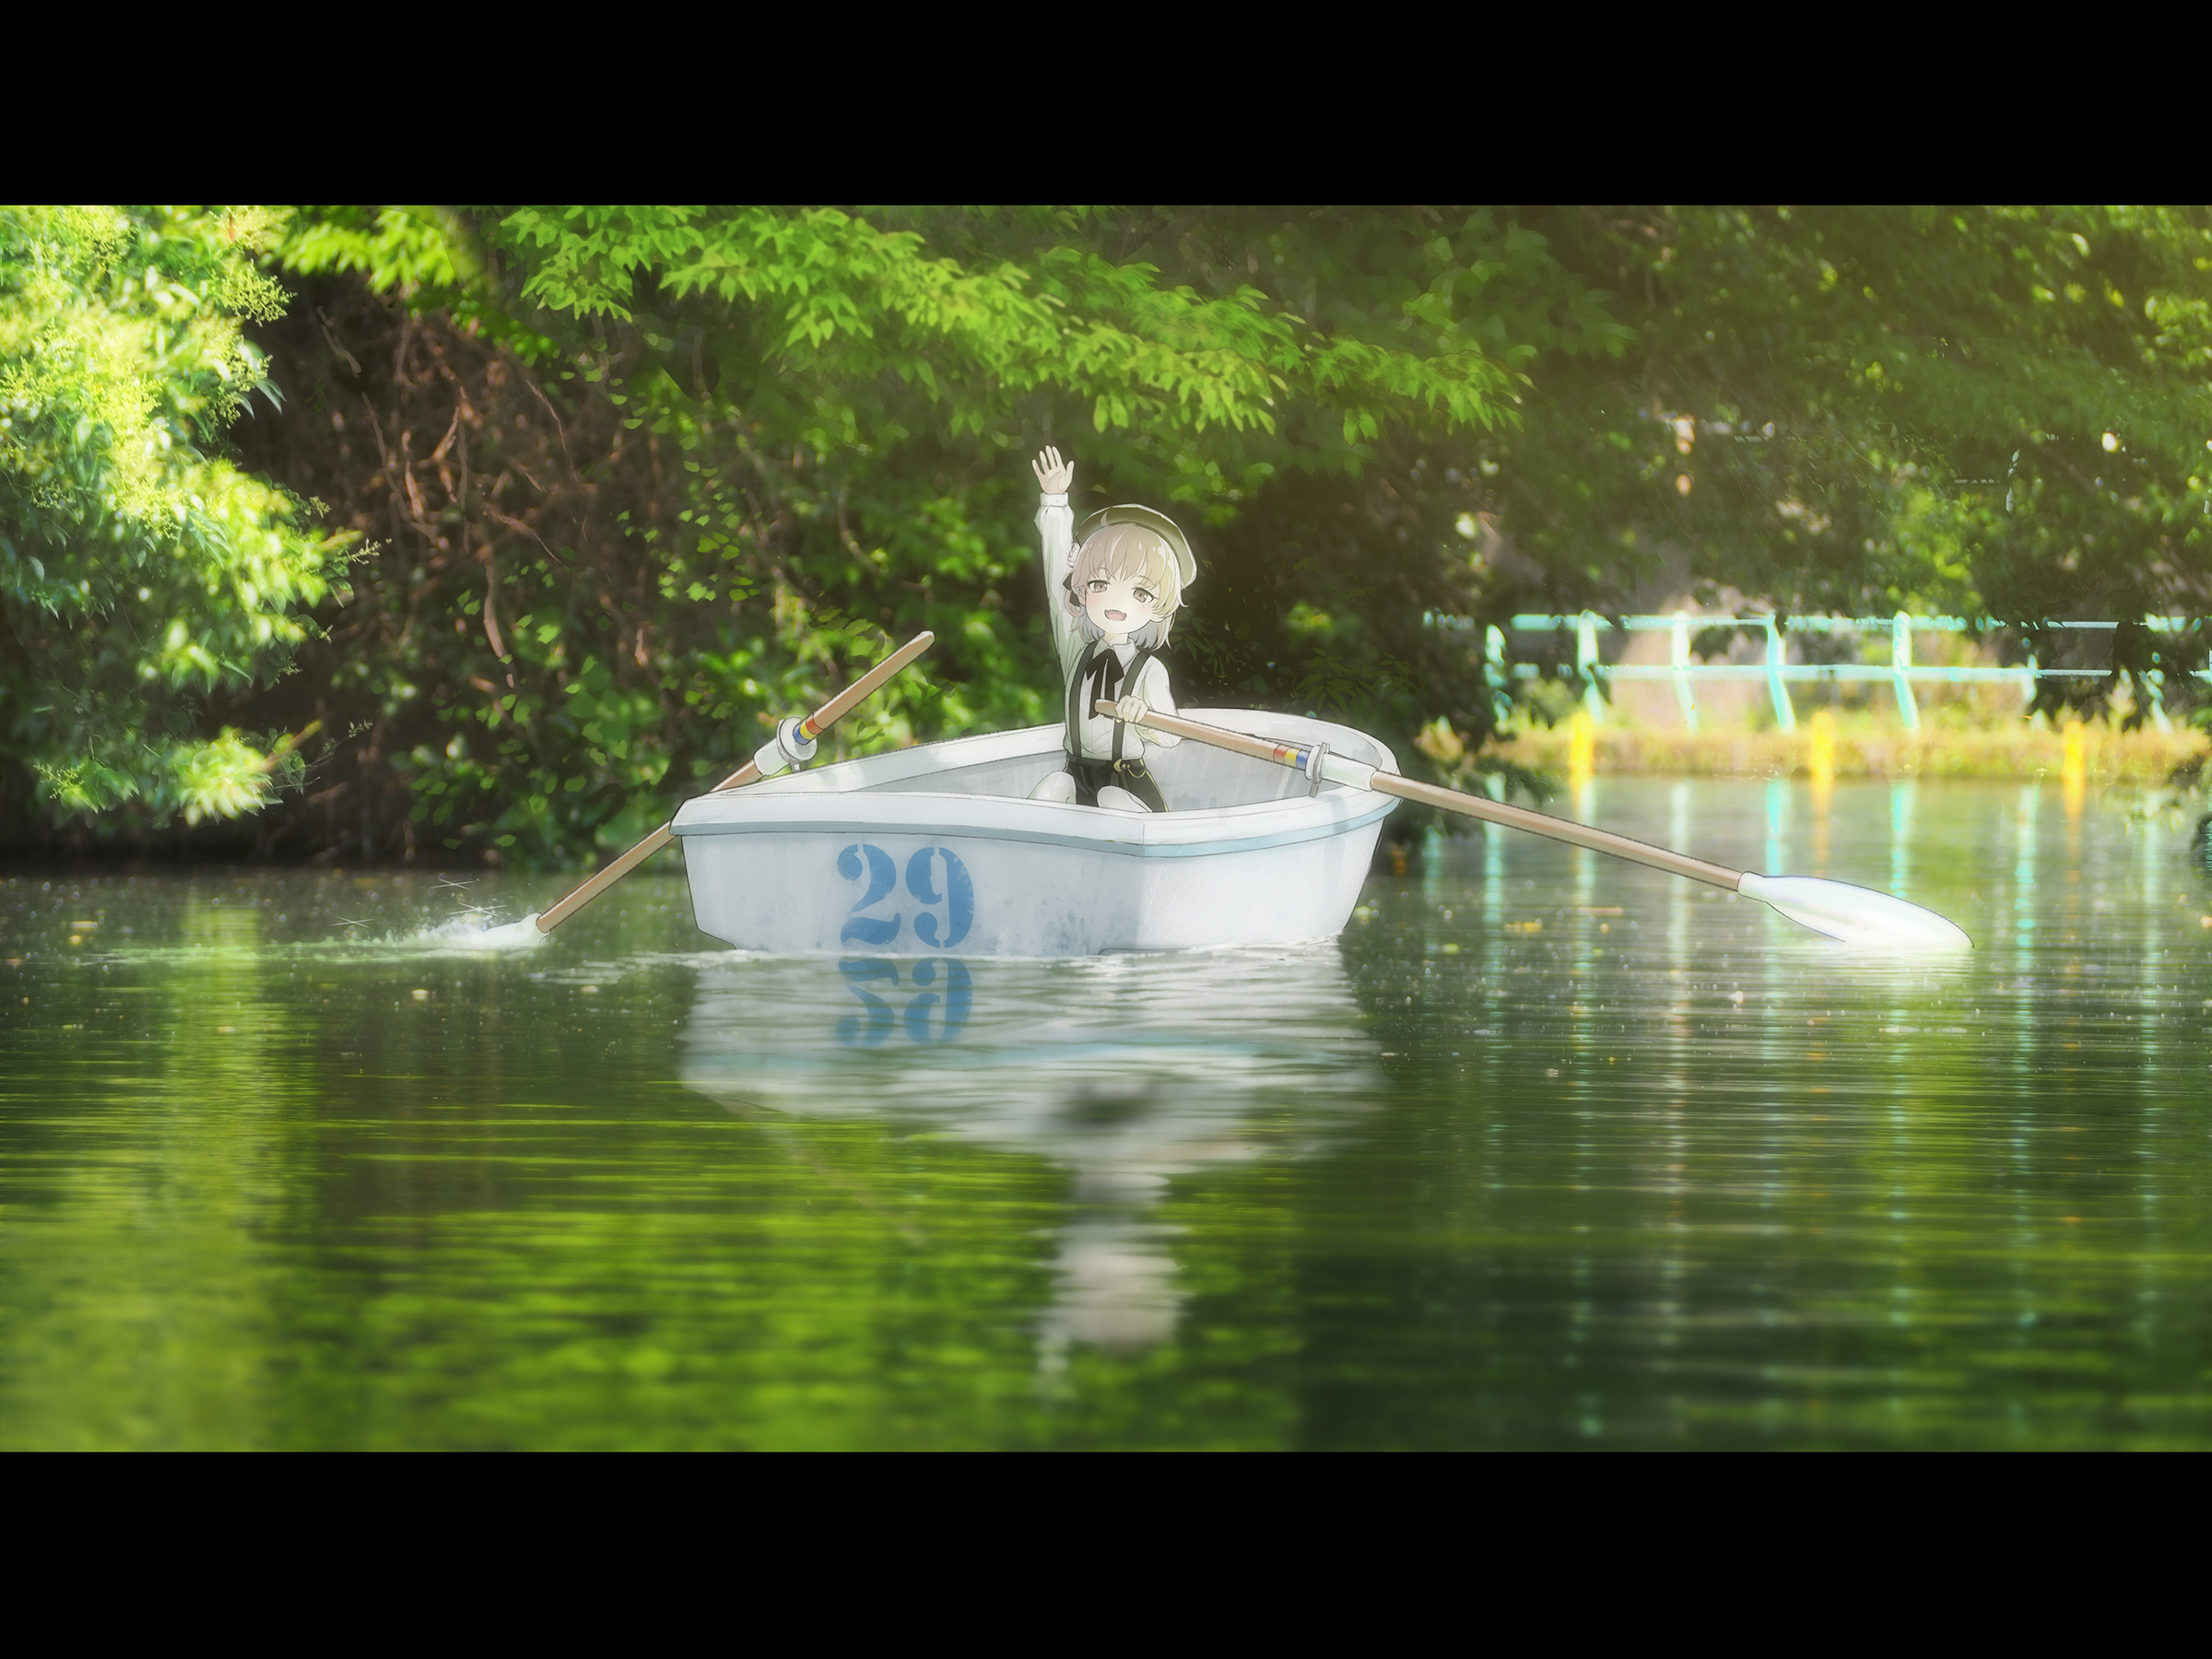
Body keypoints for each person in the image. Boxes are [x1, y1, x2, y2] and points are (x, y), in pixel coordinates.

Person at [1028, 446, 1194, 812]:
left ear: (1159, 604)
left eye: (1139, 592)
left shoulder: (1149, 669)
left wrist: (1144, 716)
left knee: (1111, 800)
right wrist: (1055, 501)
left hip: (1124, 783)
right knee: (1052, 787)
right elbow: (1056, 578)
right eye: (1100, 585)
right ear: (1083, 590)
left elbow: (1170, 737)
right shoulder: (1077, 648)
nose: (1115, 601)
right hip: (1076, 774)